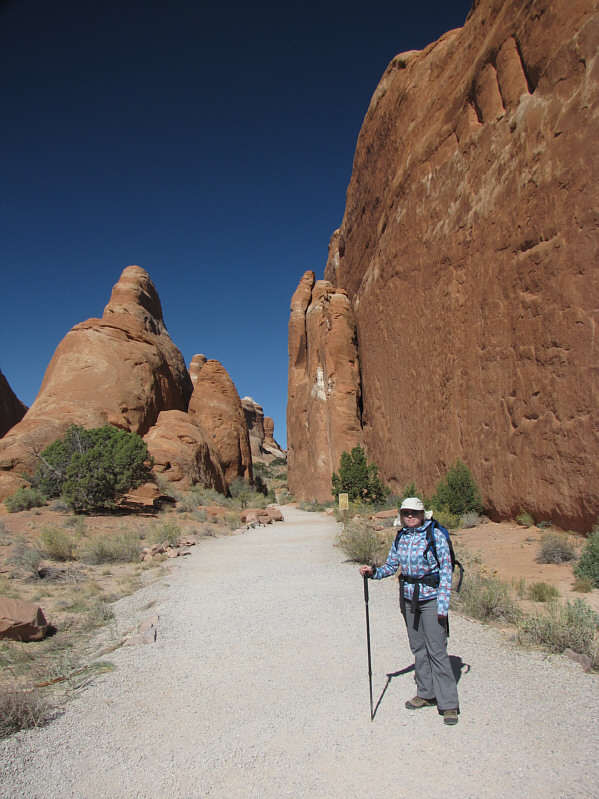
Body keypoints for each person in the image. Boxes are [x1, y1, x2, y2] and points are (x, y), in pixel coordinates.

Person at [359, 497, 459, 725]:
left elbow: (446, 571)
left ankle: (449, 704)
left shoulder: (436, 535)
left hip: (432, 599)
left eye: (414, 512)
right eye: (406, 513)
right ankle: (426, 693)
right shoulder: (401, 537)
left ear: (423, 514)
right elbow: (392, 566)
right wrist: (373, 572)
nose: (410, 516)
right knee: (418, 648)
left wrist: (443, 606)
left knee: (437, 649)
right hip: (408, 599)